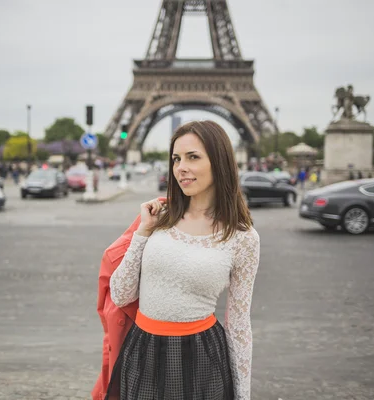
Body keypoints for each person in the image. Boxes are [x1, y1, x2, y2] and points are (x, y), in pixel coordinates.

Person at [105, 121, 260, 400]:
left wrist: (243, 395)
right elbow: (120, 293)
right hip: (143, 351)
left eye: (193, 157)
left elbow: (238, 322)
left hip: (200, 356)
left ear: (220, 161)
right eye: (176, 159)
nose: (180, 168)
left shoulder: (242, 237)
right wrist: (142, 232)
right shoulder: (160, 218)